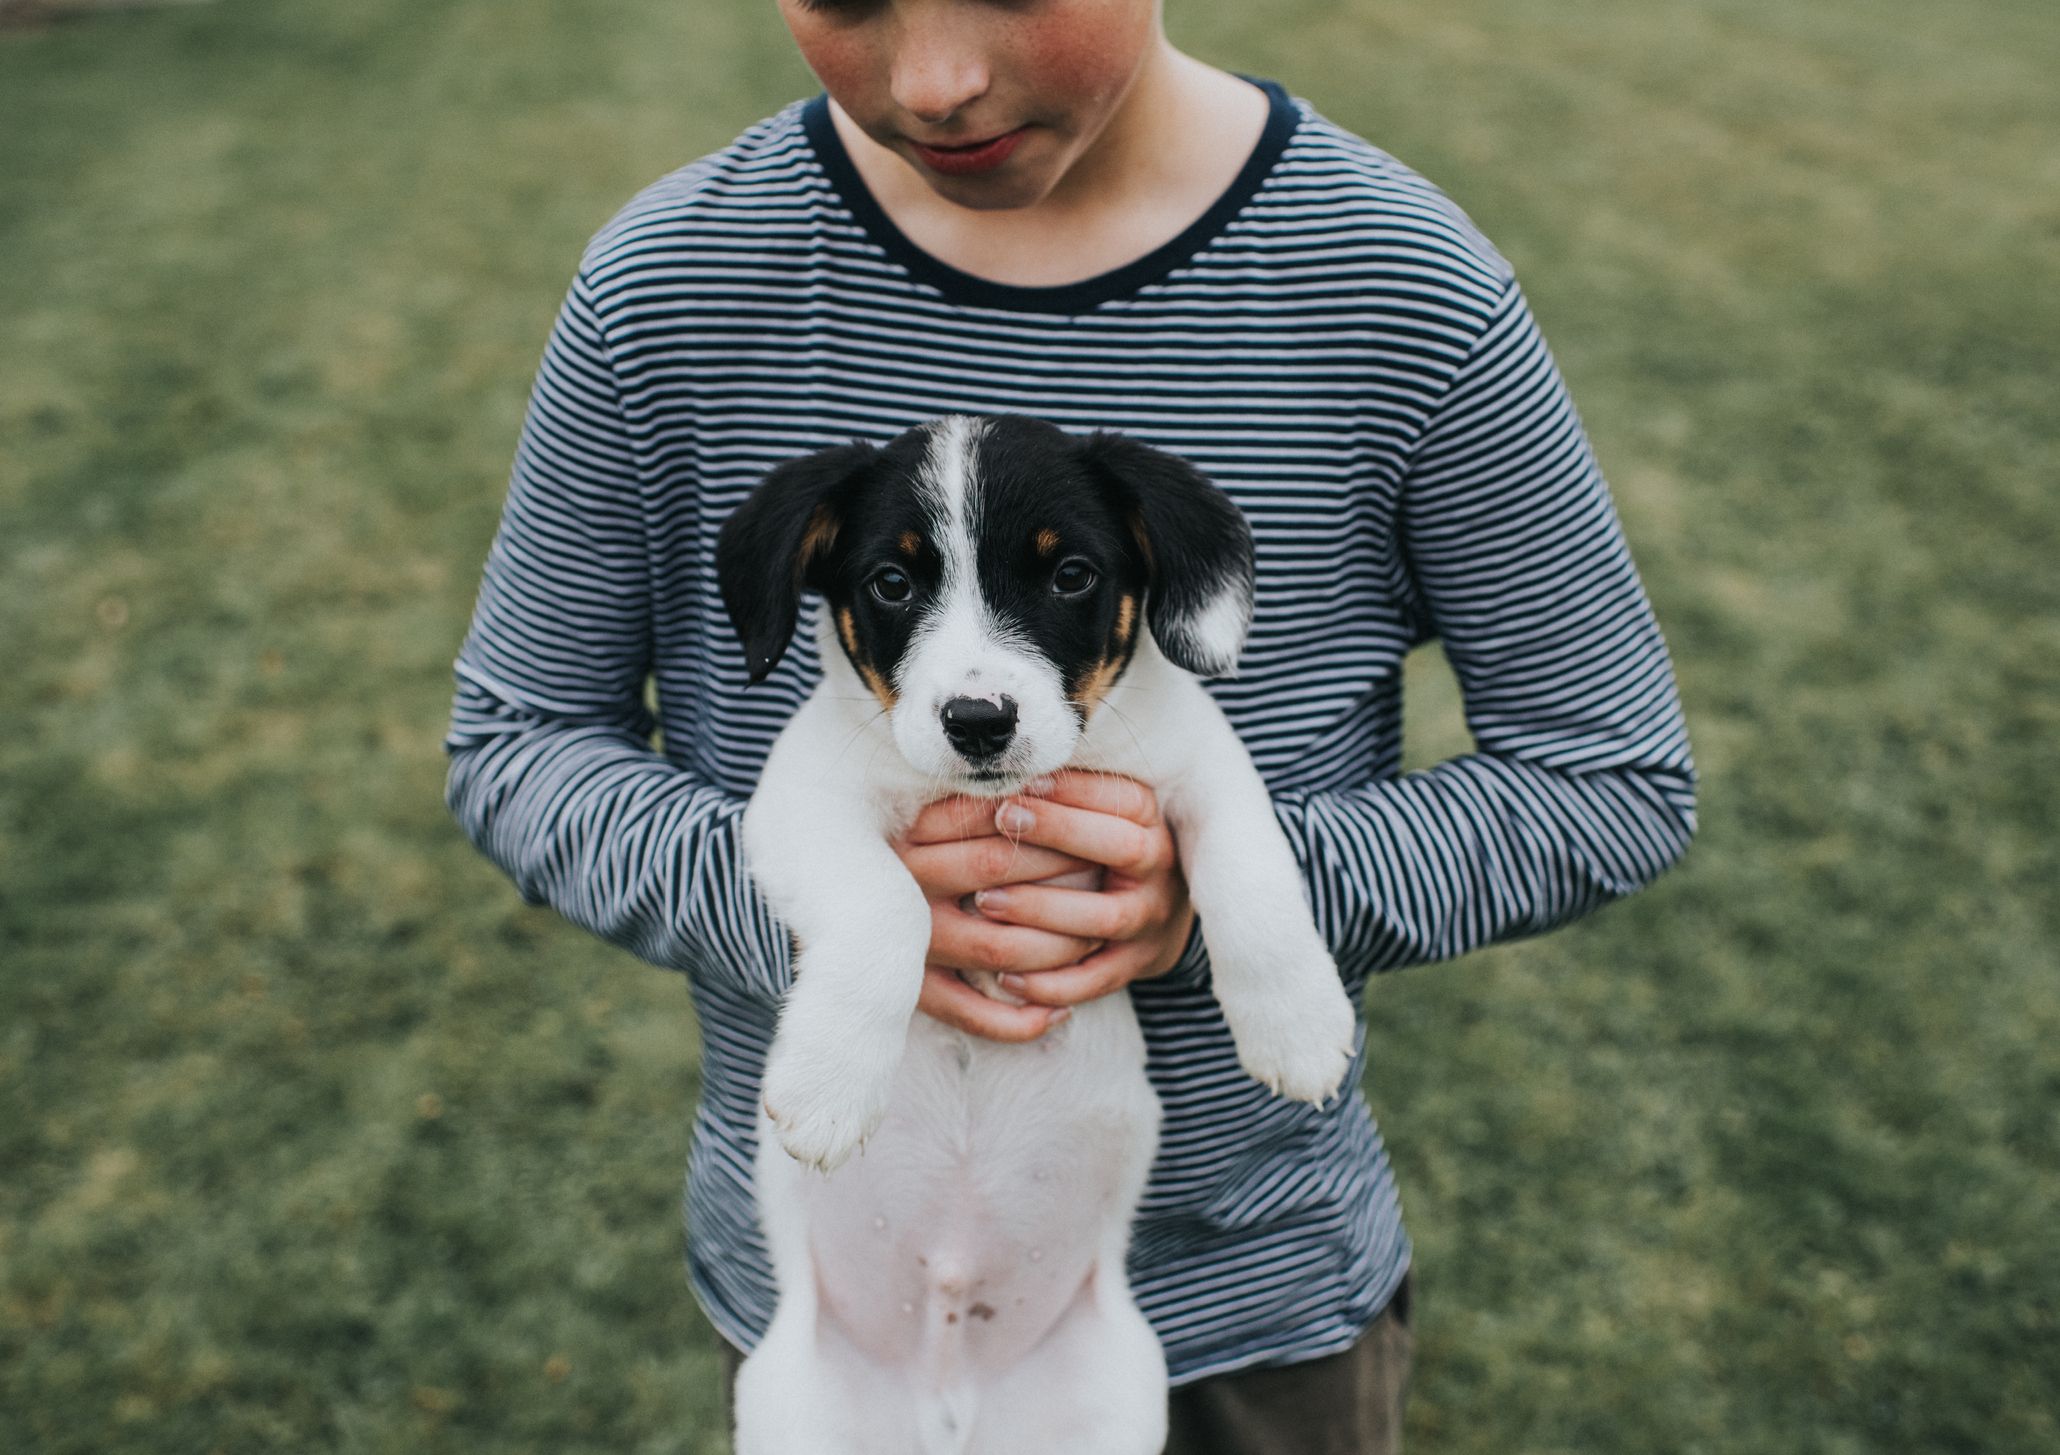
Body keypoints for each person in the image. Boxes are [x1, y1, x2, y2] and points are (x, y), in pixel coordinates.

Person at [445, 1, 1697, 1448]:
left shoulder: (1401, 288)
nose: (934, 81)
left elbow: (1609, 776)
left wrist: (1226, 902)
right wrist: (833, 913)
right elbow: (519, 741)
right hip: (840, 1307)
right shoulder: (668, 289)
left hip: (1251, 1315)